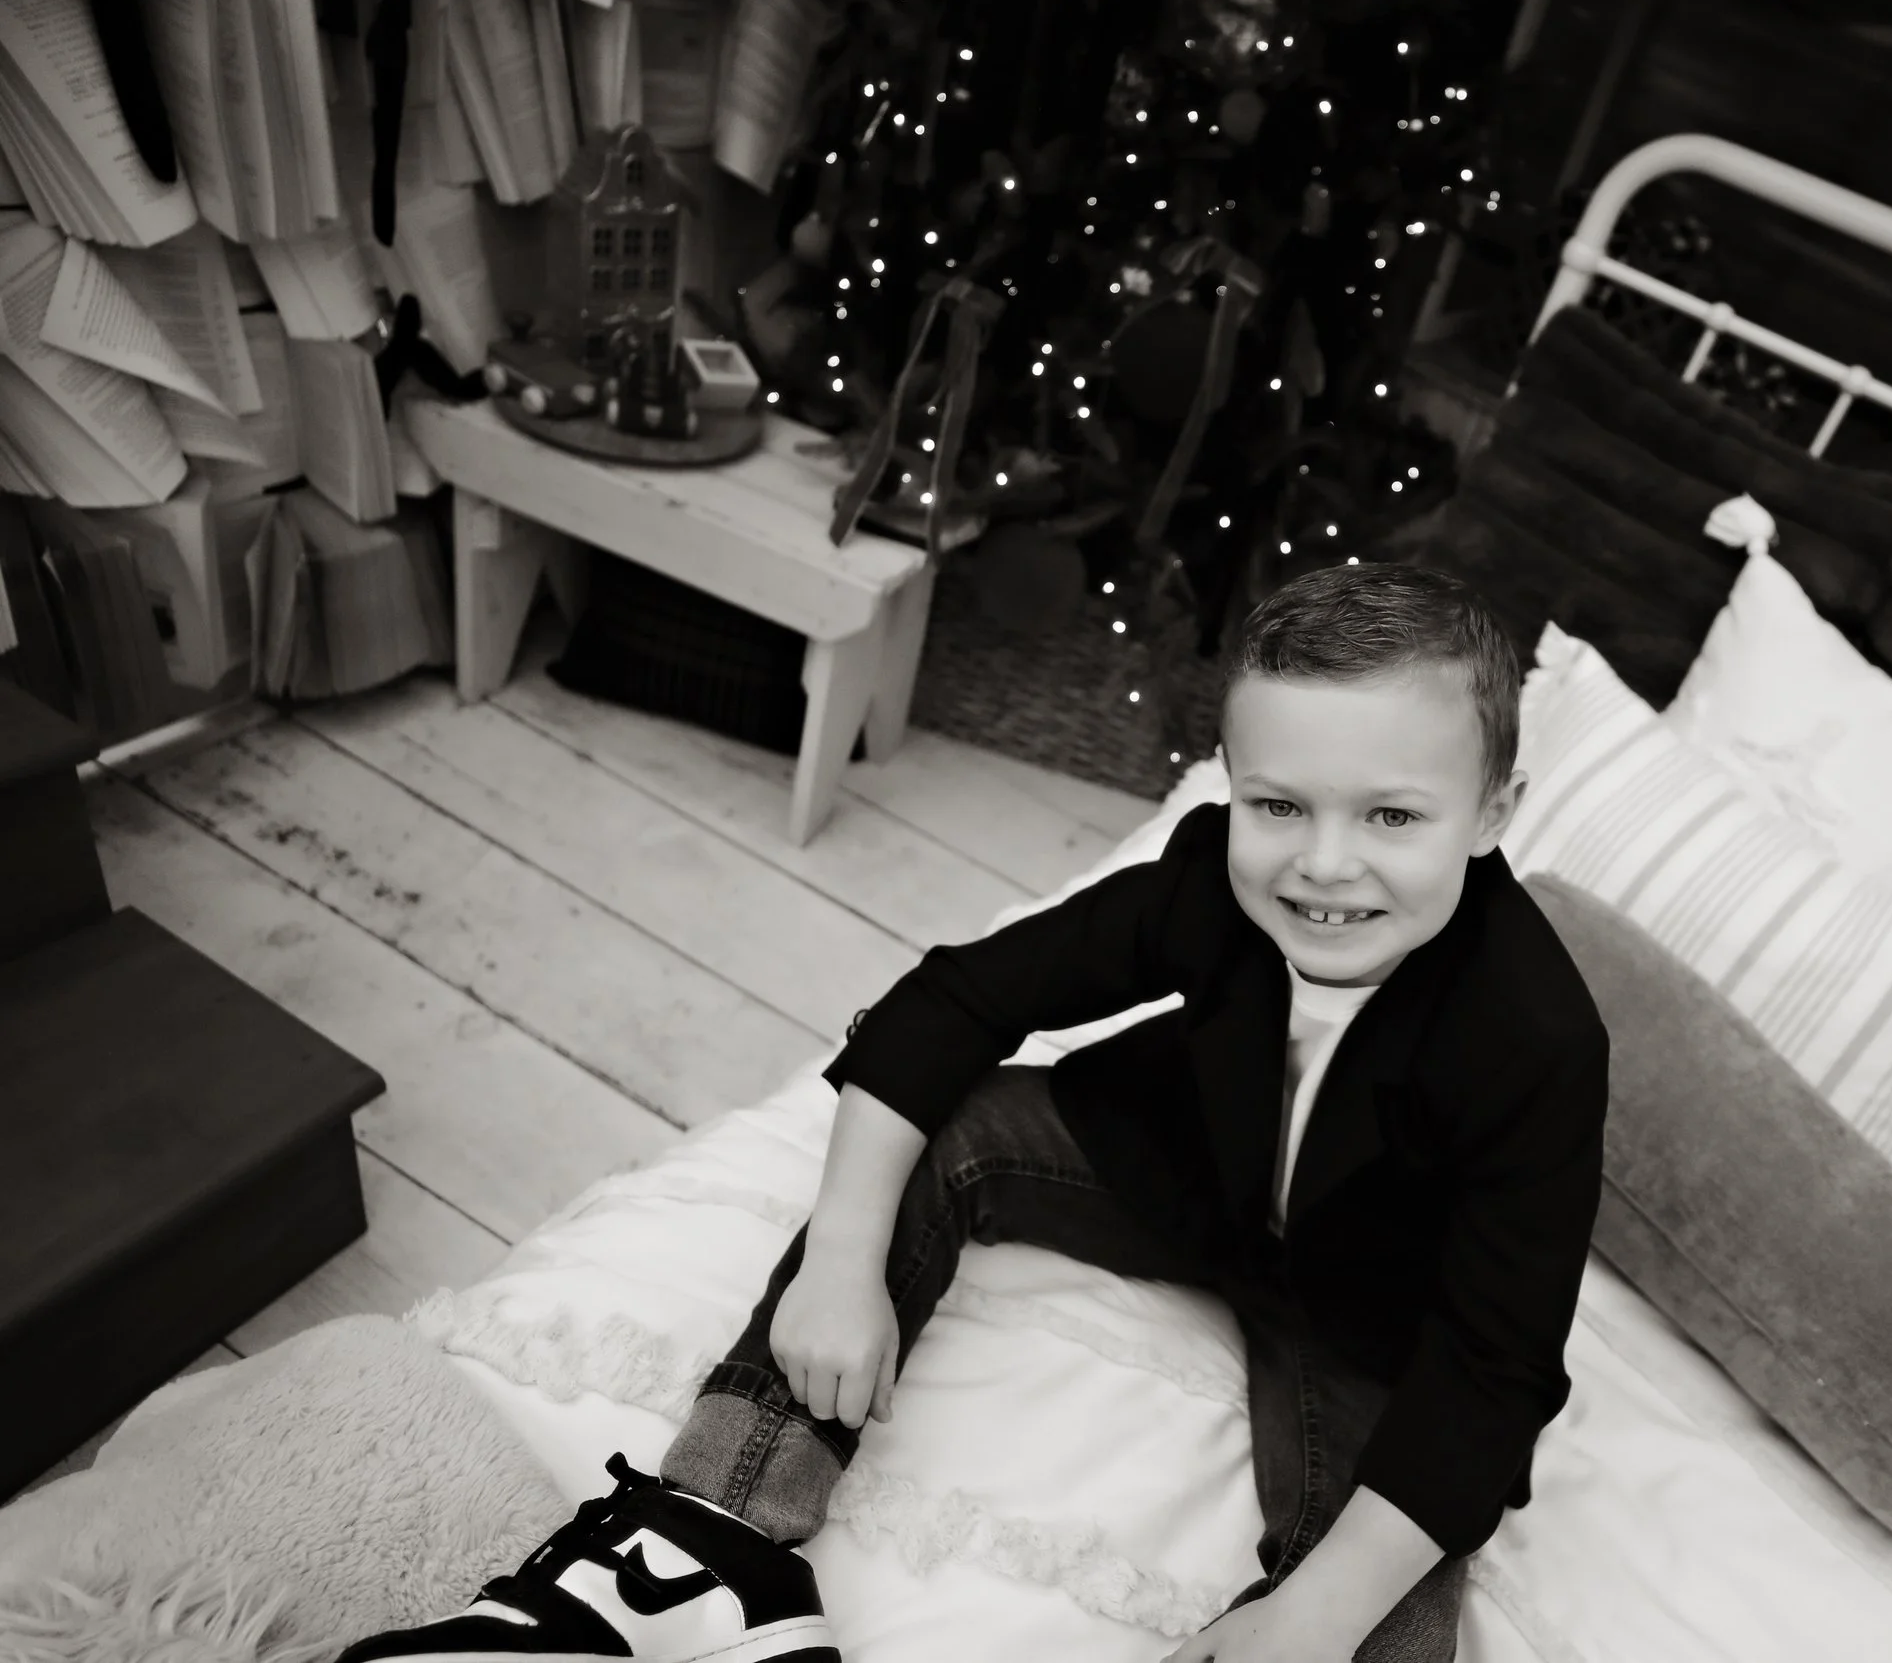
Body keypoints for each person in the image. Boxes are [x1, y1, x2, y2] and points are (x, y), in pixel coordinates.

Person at [341, 563, 1610, 1663]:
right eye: (1279, 805)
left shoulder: (1536, 1041)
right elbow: (963, 995)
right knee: (956, 1125)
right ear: (1230, 783)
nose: (1324, 863)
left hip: (1377, 1318)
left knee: (1364, 1607)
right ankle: (709, 1536)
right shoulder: (1206, 883)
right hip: (1179, 1172)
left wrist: (1319, 1612)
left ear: (1493, 813)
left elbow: (1495, 1371)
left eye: (1391, 815)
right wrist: (842, 1255)